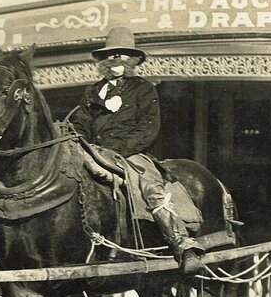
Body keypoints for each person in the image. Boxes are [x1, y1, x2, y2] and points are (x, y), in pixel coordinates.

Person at [69, 26, 203, 275]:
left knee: (150, 186)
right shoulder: (91, 92)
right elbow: (81, 124)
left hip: (131, 153)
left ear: (131, 60)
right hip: (93, 151)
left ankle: (181, 241)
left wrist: (116, 150)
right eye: (109, 56)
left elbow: (148, 129)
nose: (113, 61)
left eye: (120, 55)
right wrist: (82, 145)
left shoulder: (143, 89)